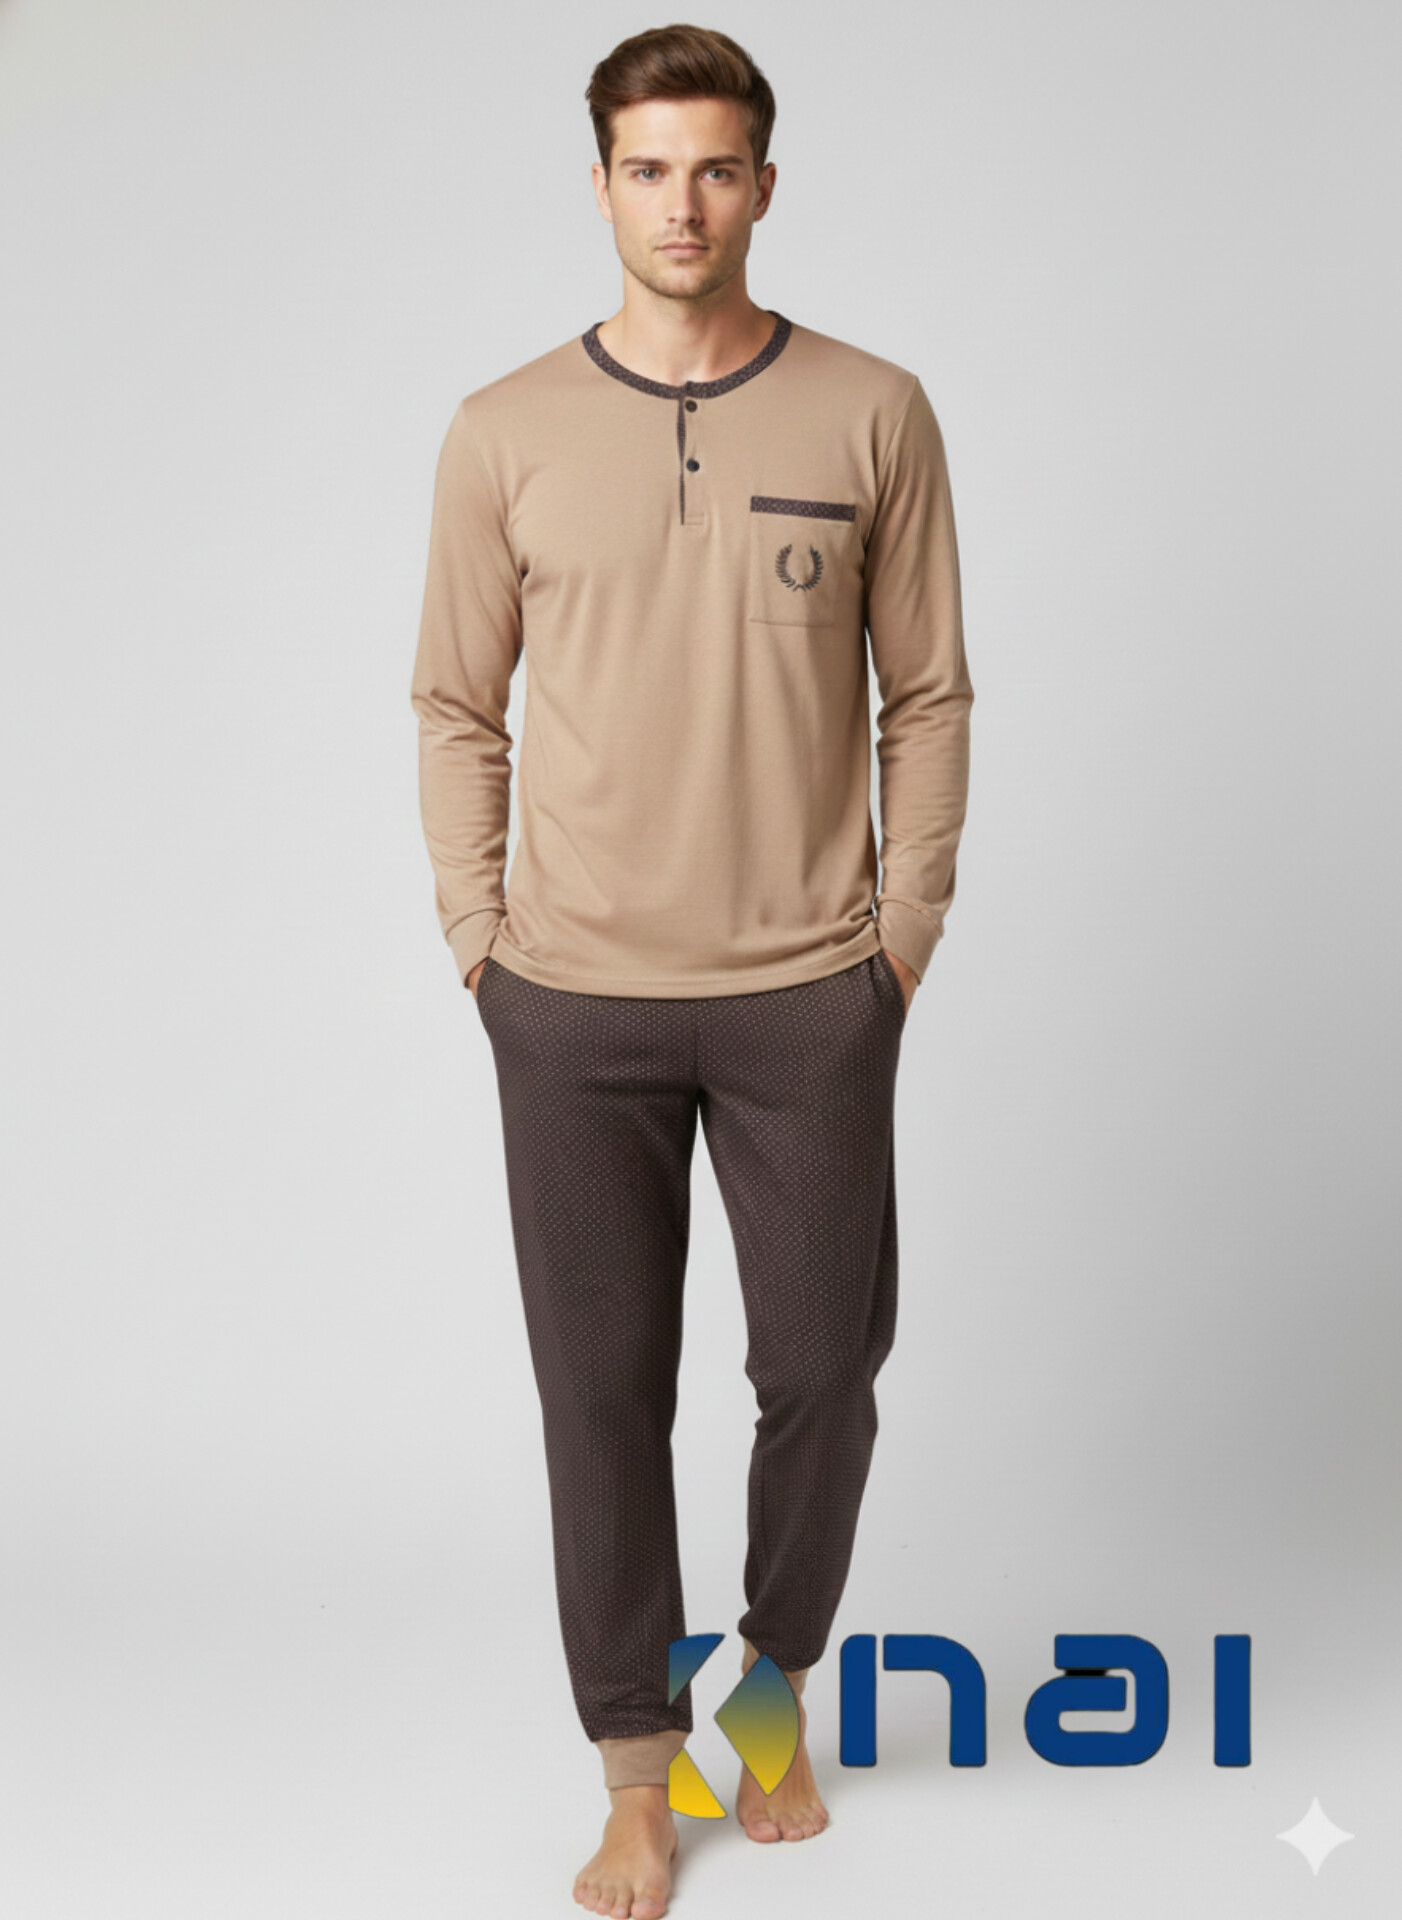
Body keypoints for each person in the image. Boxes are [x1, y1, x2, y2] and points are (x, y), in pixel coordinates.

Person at [410, 23, 973, 1919]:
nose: (682, 204)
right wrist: (478, 940)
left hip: (809, 988)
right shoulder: (500, 430)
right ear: (599, 188)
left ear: (763, 186)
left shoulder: (873, 409)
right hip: (568, 1001)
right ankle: (636, 1781)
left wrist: (900, 937)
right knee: (600, 1393)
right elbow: (452, 702)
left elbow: (929, 693)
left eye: (715, 168)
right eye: (647, 170)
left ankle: (770, 1684)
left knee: (821, 1369)